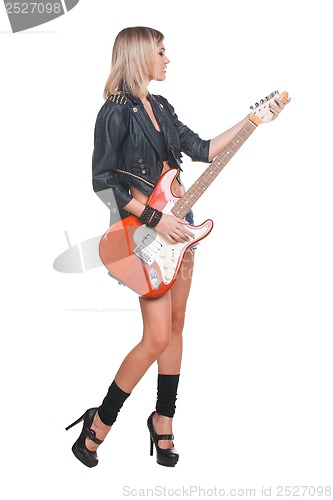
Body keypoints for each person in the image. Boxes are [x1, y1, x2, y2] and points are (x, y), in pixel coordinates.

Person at [65, 26, 288, 468]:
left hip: (180, 230)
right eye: (162, 52)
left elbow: (203, 149)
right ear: (141, 55)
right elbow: (103, 183)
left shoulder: (161, 107)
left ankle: (163, 418)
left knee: (178, 324)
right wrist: (156, 219)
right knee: (156, 337)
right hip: (145, 236)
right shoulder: (114, 113)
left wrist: (254, 120)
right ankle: (101, 421)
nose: (168, 59)